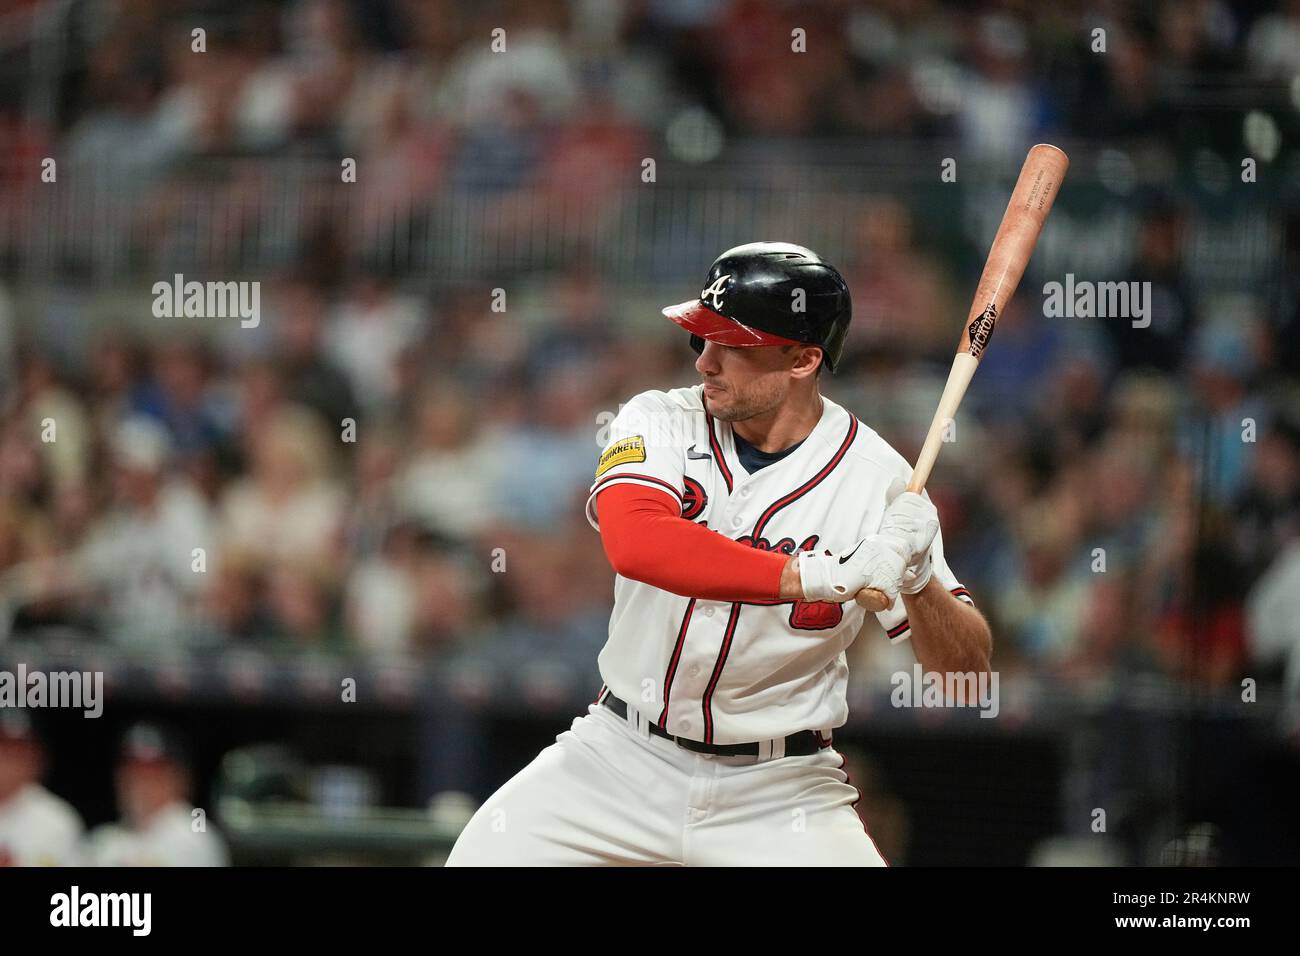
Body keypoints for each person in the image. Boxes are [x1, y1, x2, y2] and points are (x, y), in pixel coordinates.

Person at [447, 242, 991, 866]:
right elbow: (638, 544)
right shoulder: (656, 420)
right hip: (620, 758)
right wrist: (814, 574)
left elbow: (964, 678)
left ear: (804, 359)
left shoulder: (880, 482)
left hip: (779, 790)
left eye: (734, 344)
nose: (706, 360)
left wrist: (919, 580)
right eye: (702, 337)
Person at [84, 723, 230, 867]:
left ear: (178, 779)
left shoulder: (193, 834)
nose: (138, 784)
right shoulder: (103, 841)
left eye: (152, 773)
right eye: (131, 771)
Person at [0, 713, 84, 866]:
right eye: (3, 750)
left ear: (36, 758)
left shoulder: (58, 821)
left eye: (18, 752)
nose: (8, 762)